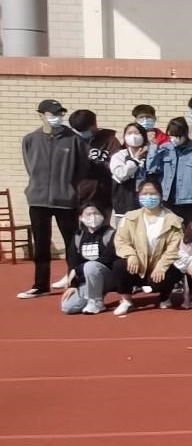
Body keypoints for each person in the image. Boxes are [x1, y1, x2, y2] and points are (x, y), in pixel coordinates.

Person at [19, 99, 89, 299]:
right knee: (41, 244)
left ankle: (75, 282)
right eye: (52, 114)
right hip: (38, 200)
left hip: (66, 201)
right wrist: (37, 188)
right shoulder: (30, 139)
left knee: (71, 244)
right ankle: (40, 285)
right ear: (41, 115)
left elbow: (83, 169)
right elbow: (30, 167)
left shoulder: (74, 140)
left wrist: (72, 190)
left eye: (60, 113)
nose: (57, 117)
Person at [111, 180, 185, 315]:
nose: (149, 197)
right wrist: (131, 255)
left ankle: (165, 297)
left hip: (159, 266)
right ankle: (126, 300)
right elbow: (121, 240)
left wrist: (162, 266)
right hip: (137, 265)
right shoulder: (130, 217)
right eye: (145, 193)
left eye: (153, 193)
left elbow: (175, 247)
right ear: (138, 196)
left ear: (160, 196)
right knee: (119, 266)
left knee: (176, 269)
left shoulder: (173, 220)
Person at [147, 117, 192, 224]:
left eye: (178, 136)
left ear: (185, 134)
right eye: (171, 136)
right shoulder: (165, 148)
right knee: (170, 231)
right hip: (169, 200)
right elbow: (151, 168)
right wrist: (154, 146)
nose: (174, 139)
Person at [59, 203, 116, 315]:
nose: (93, 217)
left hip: (107, 277)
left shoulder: (110, 234)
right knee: (68, 307)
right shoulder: (78, 236)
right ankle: (91, 295)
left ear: (102, 216)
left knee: (90, 265)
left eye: (96, 213)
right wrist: (73, 285)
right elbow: (73, 262)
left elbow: (108, 258)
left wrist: (79, 269)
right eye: (88, 214)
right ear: (81, 217)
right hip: (87, 280)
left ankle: (96, 302)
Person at [67, 109, 119, 211]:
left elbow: (115, 167)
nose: (81, 133)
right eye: (78, 130)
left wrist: (95, 163)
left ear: (94, 125)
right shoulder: (72, 141)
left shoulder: (110, 140)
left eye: (84, 130)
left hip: (101, 195)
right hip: (75, 196)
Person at [109, 122, 151, 229]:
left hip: (148, 205)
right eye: (129, 133)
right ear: (125, 137)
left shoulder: (151, 155)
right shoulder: (119, 156)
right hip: (125, 206)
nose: (133, 136)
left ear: (143, 136)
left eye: (137, 133)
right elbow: (121, 175)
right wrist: (135, 160)